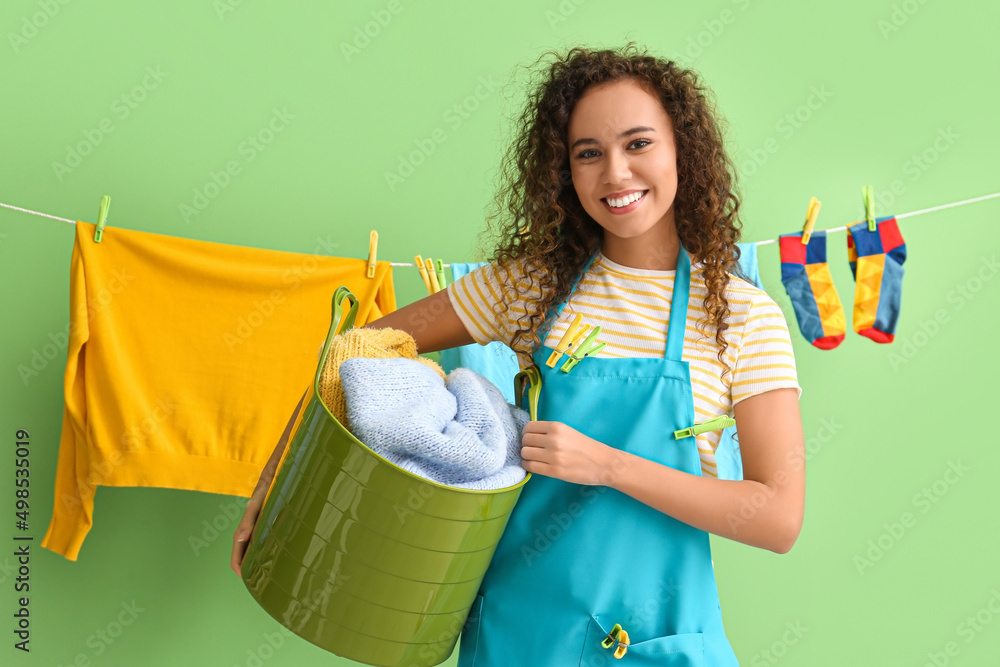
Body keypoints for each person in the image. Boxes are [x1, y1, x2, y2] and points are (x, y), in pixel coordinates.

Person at [232, 43, 804, 665]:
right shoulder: (531, 286)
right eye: (589, 153)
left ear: (682, 151)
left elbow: (778, 517)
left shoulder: (741, 317)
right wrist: (274, 488)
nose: (615, 173)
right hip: (523, 634)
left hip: (655, 640)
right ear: (564, 172)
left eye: (638, 144)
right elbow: (356, 350)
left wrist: (609, 465)